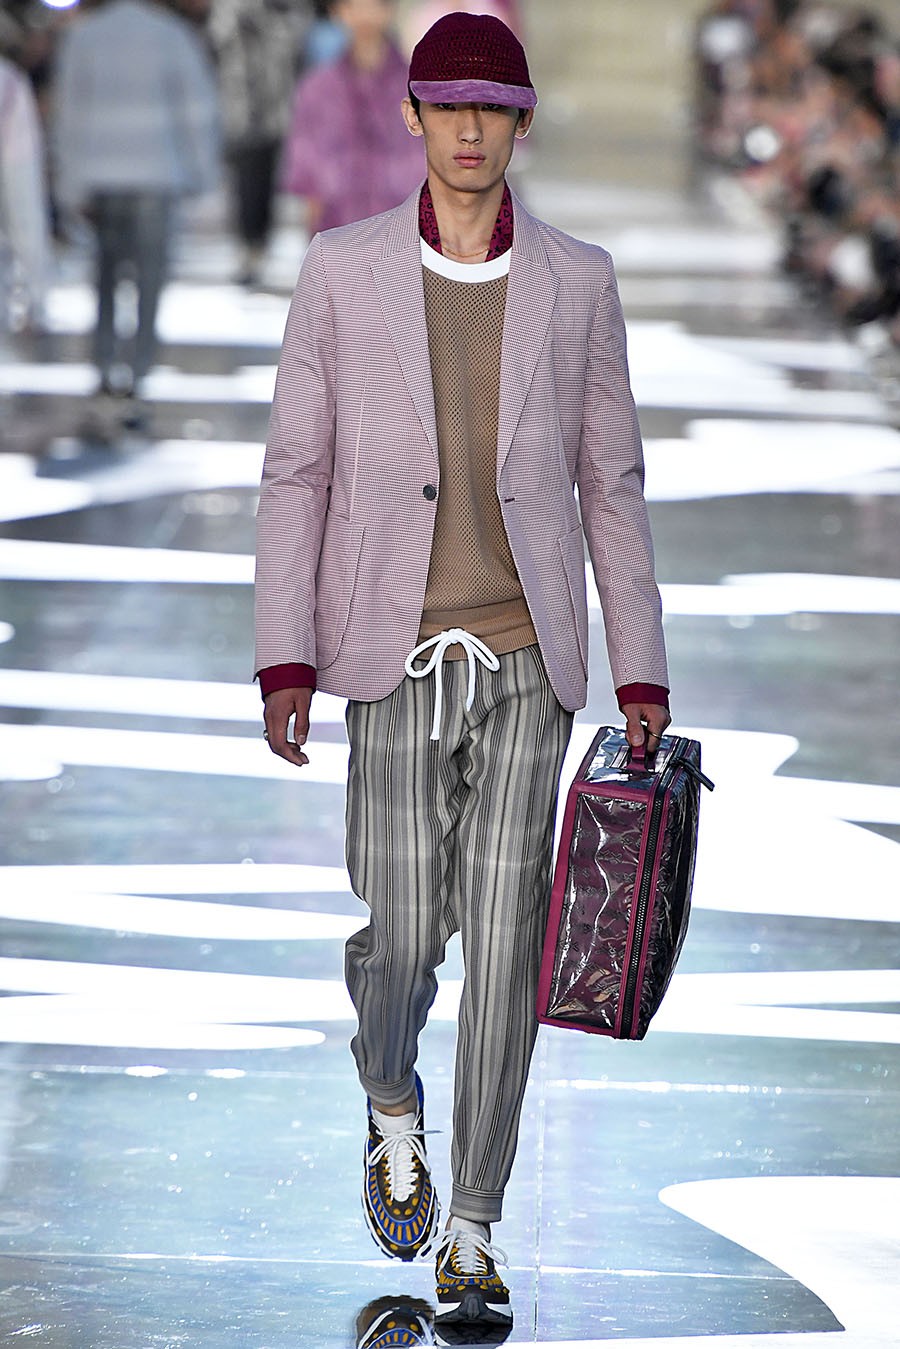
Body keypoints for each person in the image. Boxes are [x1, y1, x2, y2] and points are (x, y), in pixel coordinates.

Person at [255, 12, 670, 1343]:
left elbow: (610, 480)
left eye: (494, 107)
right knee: (397, 932)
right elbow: (296, 471)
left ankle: (476, 1223)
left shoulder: (579, 281)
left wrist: (641, 673)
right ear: (416, 117)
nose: (471, 128)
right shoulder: (342, 273)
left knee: (504, 938)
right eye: (450, 106)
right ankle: (391, 1099)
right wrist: (285, 650)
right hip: (389, 653)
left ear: (522, 123)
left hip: (525, 656)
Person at [52, 0, 220, 402]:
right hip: (157, 174)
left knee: (106, 276)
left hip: (101, 174)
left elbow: (69, 109)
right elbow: (196, 107)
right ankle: (139, 368)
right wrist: (201, 173)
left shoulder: (85, 35)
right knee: (150, 277)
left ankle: (104, 361)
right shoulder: (172, 34)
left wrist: (69, 183)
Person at [280, 0, 424, 232]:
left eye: (373, 3)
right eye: (352, 4)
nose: (363, 13)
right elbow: (308, 173)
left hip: (407, 226)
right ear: (336, 11)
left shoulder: (419, 86)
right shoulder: (317, 88)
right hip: (338, 225)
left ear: (390, 8)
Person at [207, 0, 304, 286]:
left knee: (266, 182)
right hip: (241, 109)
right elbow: (217, 40)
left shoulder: (285, 8)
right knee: (245, 183)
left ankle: (259, 245)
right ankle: (249, 247)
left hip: (276, 109)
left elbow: (297, 39)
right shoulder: (230, 8)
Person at [0, 52, 51, 333]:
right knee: (24, 224)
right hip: (16, 155)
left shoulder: (9, 80)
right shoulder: (9, 79)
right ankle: (35, 301)